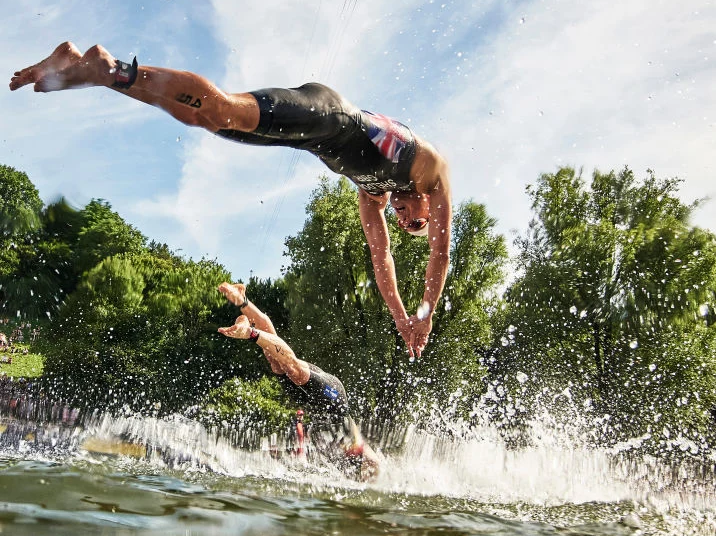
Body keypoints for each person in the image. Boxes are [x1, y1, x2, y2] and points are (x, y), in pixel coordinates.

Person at [11, 41, 452, 358]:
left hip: (308, 139)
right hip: (330, 114)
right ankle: (112, 66)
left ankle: (89, 69)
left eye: (404, 224)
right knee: (221, 108)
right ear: (429, 209)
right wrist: (426, 312)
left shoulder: (374, 195)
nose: (403, 218)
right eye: (415, 221)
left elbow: (382, 261)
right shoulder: (430, 170)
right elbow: (441, 253)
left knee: (205, 119)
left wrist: (399, 315)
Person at [216, 281, 381, 482]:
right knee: (293, 369)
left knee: (275, 361)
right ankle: (250, 332)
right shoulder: (365, 466)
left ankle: (242, 300)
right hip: (335, 401)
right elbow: (370, 462)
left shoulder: (341, 465)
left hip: (313, 405)